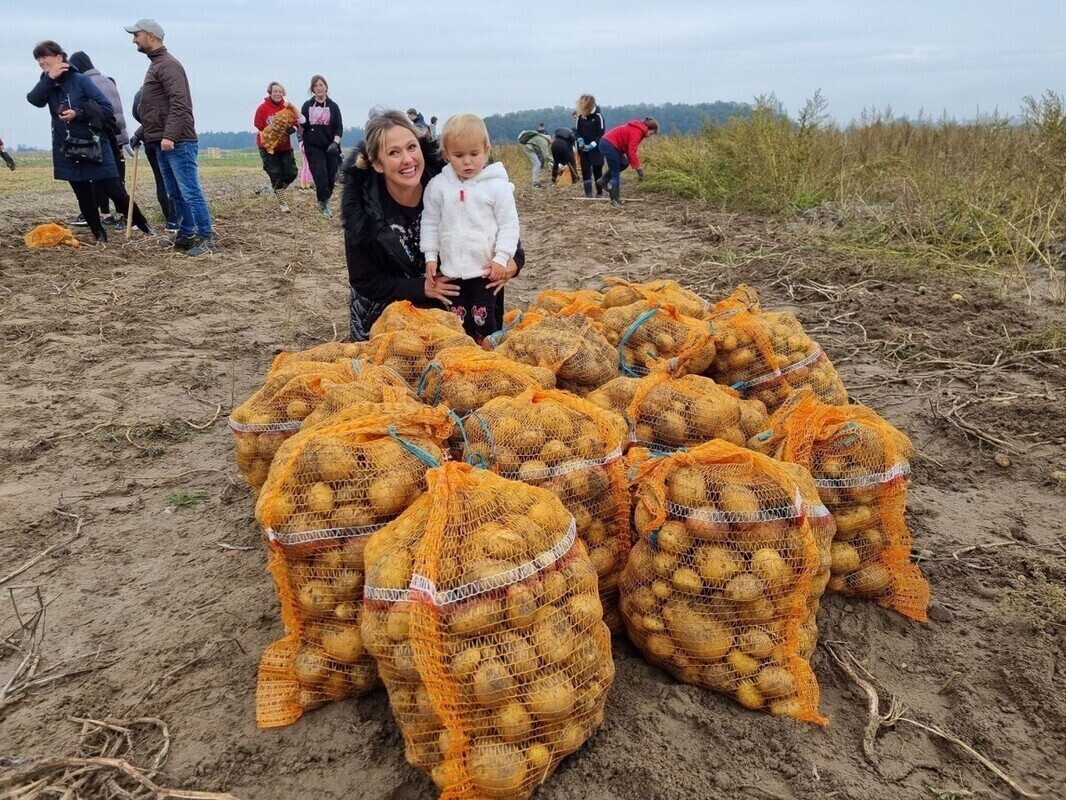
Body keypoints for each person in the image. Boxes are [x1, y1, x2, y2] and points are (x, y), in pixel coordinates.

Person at [341, 110, 523, 341]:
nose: (407, 159)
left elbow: (508, 236)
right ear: (378, 163)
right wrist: (421, 288)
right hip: (390, 318)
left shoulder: (454, 179)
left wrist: (511, 263)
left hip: (467, 307)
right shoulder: (363, 211)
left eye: (411, 147)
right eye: (394, 153)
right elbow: (364, 280)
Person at [27, 40, 154, 247]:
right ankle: (99, 235)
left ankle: (143, 225)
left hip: (94, 145)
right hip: (67, 146)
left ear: (59, 57)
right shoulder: (47, 83)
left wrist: (78, 114)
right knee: (83, 194)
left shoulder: (80, 80)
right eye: (38, 59)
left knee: (115, 190)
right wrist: (49, 79)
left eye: (44, 57)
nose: (41, 62)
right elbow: (34, 99)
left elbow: (105, 108)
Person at [421, 113, 519, 342]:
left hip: (485, 270)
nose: (467, 161)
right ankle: (462, 358)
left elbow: (509, 224)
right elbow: (430, 222)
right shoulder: (438, 187)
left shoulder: (497, 187)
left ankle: (489, 355)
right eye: (459, 155)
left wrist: (502, 258)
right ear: (446, 154)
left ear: (486, 150)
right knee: (457, 321)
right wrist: (430, 256)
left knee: (484, 319)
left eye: (474, 154)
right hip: (452, 270)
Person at [125, 18, 216, 256]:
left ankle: (206, 237)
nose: (134, 39)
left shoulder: (168, 65)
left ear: (151, 36)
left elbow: (180, 104)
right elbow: (156, 111)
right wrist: (140, 133)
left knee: (190, 191)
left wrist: (170, 136)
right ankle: (186, 235)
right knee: (174, 193)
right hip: (161, 141)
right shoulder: (156, 64)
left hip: (177, 142)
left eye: (137, 34)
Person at [67, 51, 130, 227]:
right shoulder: (108, 80)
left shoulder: (86, 84)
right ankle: (116, 216)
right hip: (118, 133)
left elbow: (91, 112)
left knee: (101, 178)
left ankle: (116, 216)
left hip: (103, 135)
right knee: (114, 177)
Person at [128, 87, 177, 231]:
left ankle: (171, 220)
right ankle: (175, 220)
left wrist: (140, 133)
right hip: (168, 141)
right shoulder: (163, 94)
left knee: (161, 181)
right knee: (175, 181)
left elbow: (139, 117)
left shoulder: (140, 94)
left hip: (150, 140)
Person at [299, 75, 343, 217]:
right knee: (320, 174)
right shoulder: (307, 105)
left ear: (326, 87)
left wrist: (335, 143)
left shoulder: (333, 106)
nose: (319, 88)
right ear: (312, 89)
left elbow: (338, 127)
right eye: (315, 86)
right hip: (313, 145)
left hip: (330, 145)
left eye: (321, 85)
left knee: (331, 176)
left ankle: (325, 197)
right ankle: (324, 204)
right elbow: (303, 124)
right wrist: (295, 124)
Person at [254, 81, 299, 213]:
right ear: (270, 92)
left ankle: (279, 191)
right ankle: (282, 202)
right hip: (267, 147)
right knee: (276, 174)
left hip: (284, 146)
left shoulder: (287, 108)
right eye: (275, 91)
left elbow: (296, 122)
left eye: (280, 91)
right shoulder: (262, 108)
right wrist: (269, 137)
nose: (278, 94)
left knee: (292, 173)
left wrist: (293, 128)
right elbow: (259, 126)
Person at [597, 116, 659, 205]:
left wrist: (636, 166)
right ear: (648, 128)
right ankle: (615, 199)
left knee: (624, 163)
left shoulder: (638, 130)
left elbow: (629, 151)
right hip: (608, 144)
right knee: (615, 173)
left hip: (610, 145)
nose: (649, 136)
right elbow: (631, 152)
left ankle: (603, 180)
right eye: (651, 133)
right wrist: (638, 168)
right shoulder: (637, 132)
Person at [575, 94, 606, 198]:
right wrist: (580, 140)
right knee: (586, 171)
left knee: (597, 171)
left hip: (596, 149)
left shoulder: (598, 117)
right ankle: (588, 193)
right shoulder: (580, 117)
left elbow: (601, 134)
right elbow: (578, 132)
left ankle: (599, 193)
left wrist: (593, 144)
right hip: (583, 149)